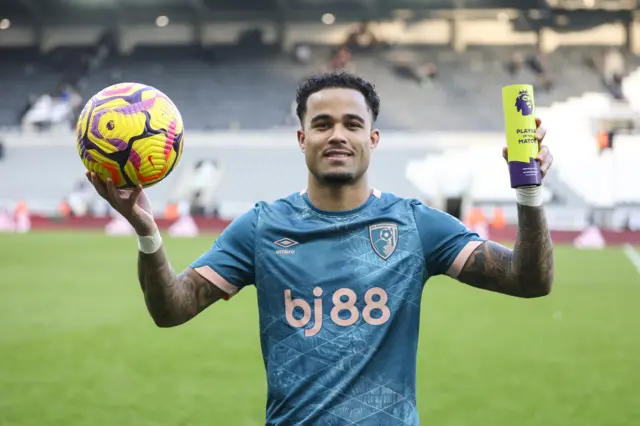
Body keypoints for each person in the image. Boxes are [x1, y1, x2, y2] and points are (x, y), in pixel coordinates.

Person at [86, 71, 554, 425]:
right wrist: (146, 231)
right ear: (301, 138)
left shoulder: (415, 224)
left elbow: (529, 281)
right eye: (322, 123)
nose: (337, 135)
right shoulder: (261, 227)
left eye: (352, 124)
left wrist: (528, 191)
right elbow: (172, 309)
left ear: (372, 139)